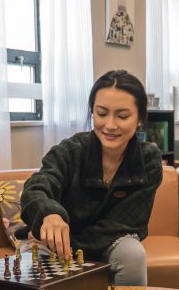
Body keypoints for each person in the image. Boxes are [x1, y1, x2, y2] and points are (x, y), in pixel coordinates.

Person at [19, 70, 162, 286]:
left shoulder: (148, 160)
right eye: (101, 113)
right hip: (53, 242)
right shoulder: (70, 151)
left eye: (122, 116)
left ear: (140, 118)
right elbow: (36, 187)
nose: (110, 125)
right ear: (92, 112)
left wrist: (66, 243)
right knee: (31, 264)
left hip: (106, 242)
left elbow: (123, 225)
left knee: (133, 255)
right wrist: (49, 215)